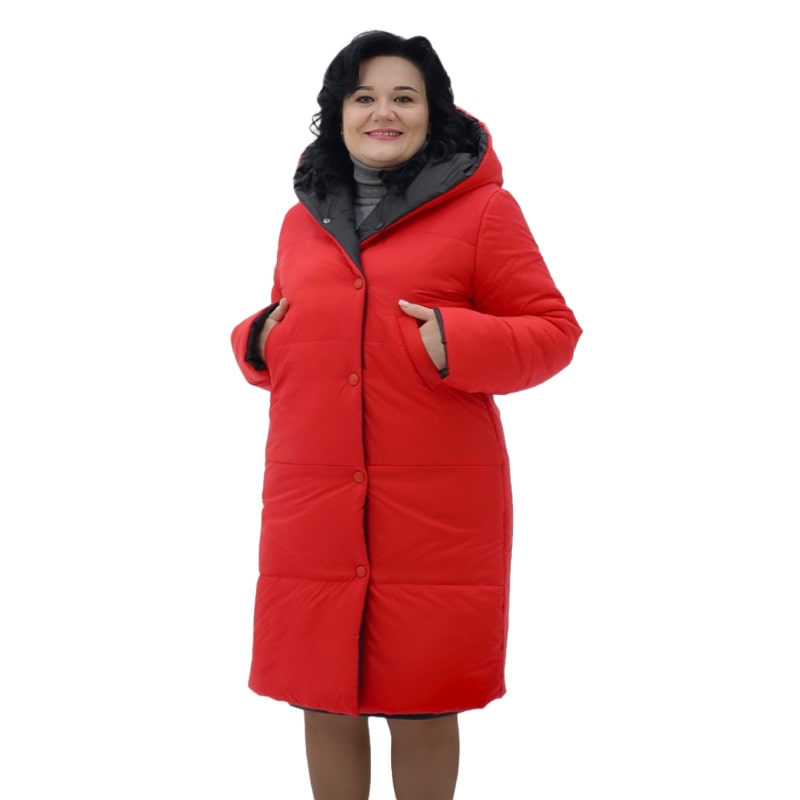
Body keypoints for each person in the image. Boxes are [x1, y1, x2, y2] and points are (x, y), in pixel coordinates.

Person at [231, 30, 582, 800]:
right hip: (313, 501)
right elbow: (289, 328)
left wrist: (455, 339)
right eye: (364, 97)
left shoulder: (484, 211)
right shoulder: (302, 220)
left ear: (433, 111)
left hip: (433, 514)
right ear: (339, 112)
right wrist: (256, 340)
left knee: (422, 703)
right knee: (323, 699)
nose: (382, 112)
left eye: (403, 97)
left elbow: (554, 332)